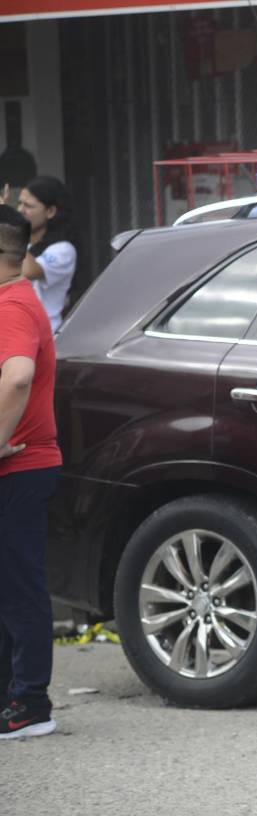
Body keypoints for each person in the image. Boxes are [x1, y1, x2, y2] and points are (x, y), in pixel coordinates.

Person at [0, 204, 61, 740]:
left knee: (20, 588)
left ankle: (30, 705)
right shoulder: (17, 297)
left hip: (21, 466)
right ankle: (12, 700)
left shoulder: (13, 305)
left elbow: (18, 376)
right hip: (21, 467)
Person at [16, 176, 76, 332]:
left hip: (43, 338)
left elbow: (29, 271)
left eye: (28, 206)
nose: (20, 210)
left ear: (50, 211)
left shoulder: (63, 250)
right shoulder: (25, 245)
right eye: (19, 203)